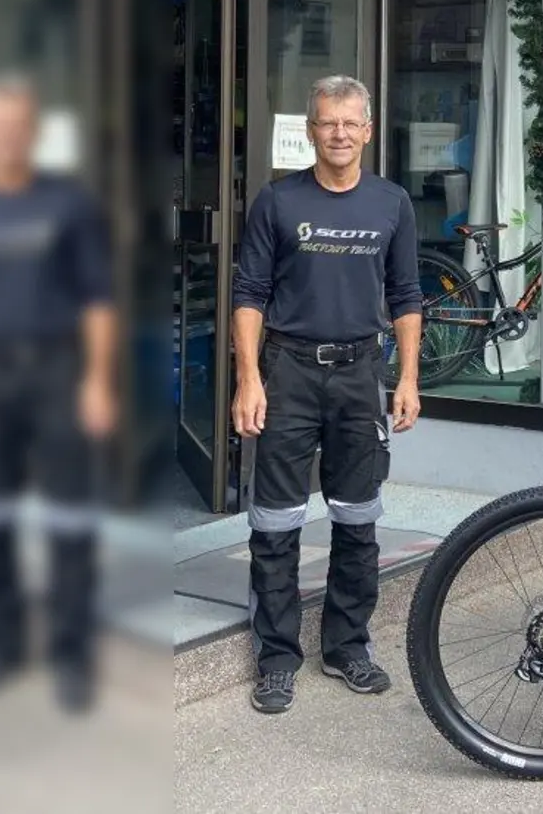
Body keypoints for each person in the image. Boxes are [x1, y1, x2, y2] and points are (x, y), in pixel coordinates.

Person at [230, 75, 422, 714]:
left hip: (359, 375)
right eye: (326, 122)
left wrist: (409, 380)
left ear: (367, 131)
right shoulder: (278, 202)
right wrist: (249, 378)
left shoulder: (392, 203)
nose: (338, 133)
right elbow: (249, 294)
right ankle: (277, 657)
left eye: (350, 123)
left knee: (358, 516)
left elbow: (406, 297)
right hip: (286, 371)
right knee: (276, 521)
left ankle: (346, 648)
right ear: (310, 131)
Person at [0, 73, 116, 713]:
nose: (8, 135)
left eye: (19, 124)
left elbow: (98, 300)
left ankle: (72, 656)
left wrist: (98, 383)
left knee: (69, 517)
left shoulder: (68, 204)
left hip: (57, 370)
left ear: (33, 132)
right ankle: (2, 646)